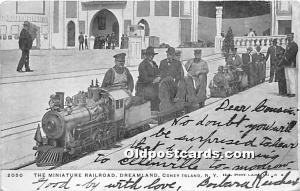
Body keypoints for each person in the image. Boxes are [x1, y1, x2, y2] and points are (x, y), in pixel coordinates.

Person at [136, 46, 160, 111]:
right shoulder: (142, 65)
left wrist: (159, 77)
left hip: (153, 86)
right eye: (149, 55)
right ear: (146, 55)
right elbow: (145, 79)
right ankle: (153, 111)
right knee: (154, 95)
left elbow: (158, 72)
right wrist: (154, 80)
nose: (151, 56)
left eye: (152, 55)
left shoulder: (154, 63)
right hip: (144, 87)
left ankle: (158, 110)